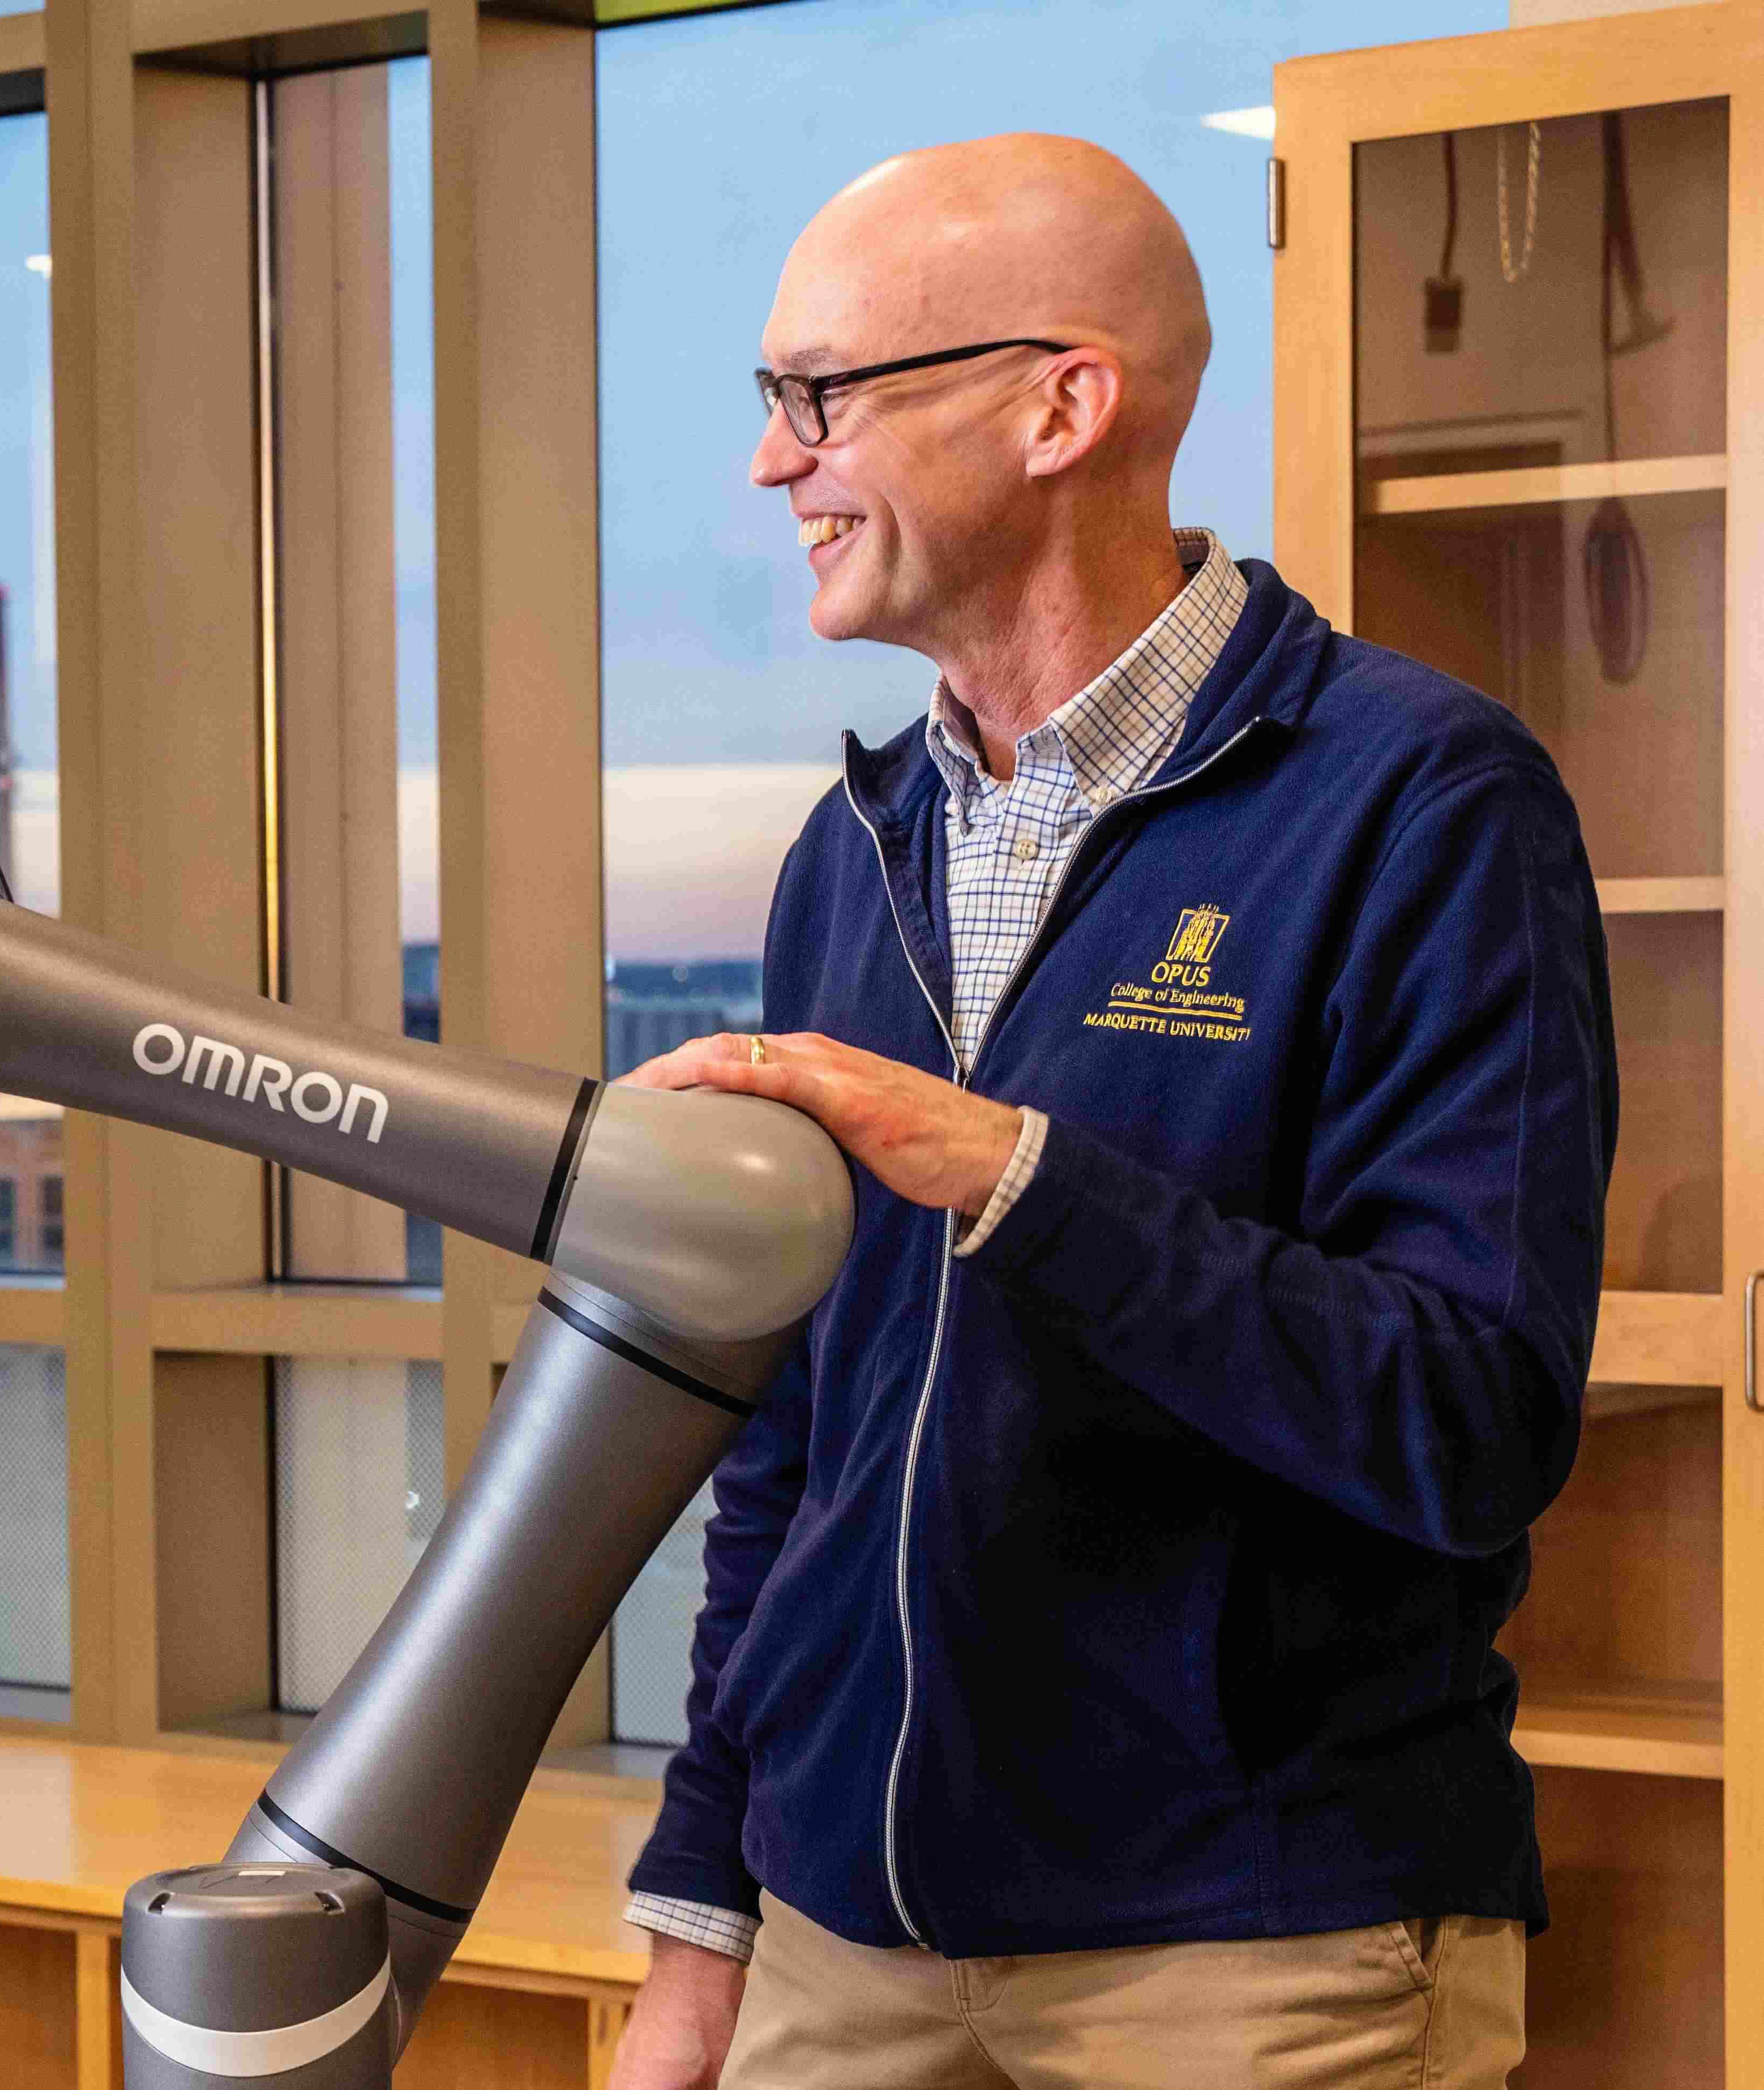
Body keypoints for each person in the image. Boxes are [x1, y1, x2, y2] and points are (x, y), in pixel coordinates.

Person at [604, 136, 1615, 2090]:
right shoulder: (855, 847)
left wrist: (1011, 1174)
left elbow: (1465, 1421)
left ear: (1063, 403)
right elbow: (791, 1454)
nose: (769, 463)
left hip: (1253, 1955)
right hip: (843, 1938)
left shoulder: (1421, 804)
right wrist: (703, 1920)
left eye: (819, 397)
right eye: (768, 405)